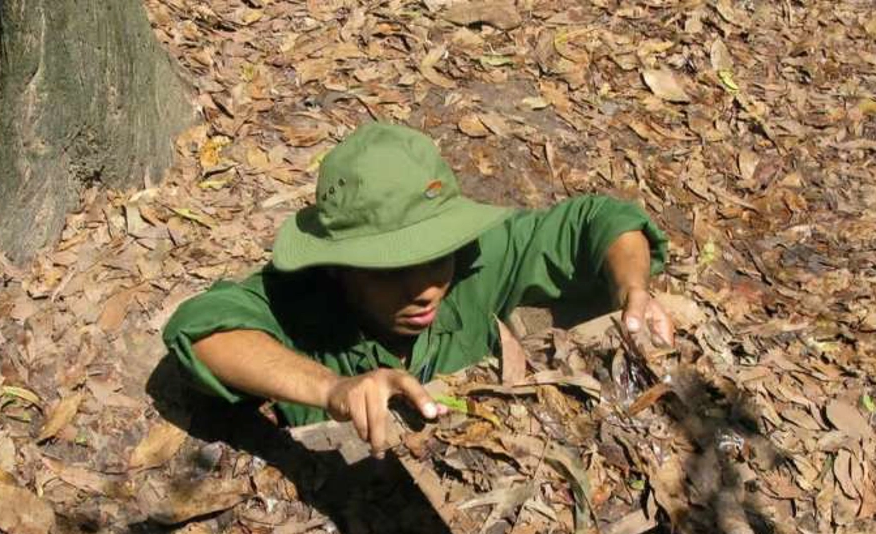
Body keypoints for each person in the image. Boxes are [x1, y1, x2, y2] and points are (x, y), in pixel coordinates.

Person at [163, 122, 675, 456]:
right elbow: (202, 328)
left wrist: (634, 290)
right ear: (340, 267)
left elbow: (601, 220)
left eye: (436, 259)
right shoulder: (302, 300)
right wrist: (332, 388)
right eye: (389, 272)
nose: (425, 289)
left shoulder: (480, 256)